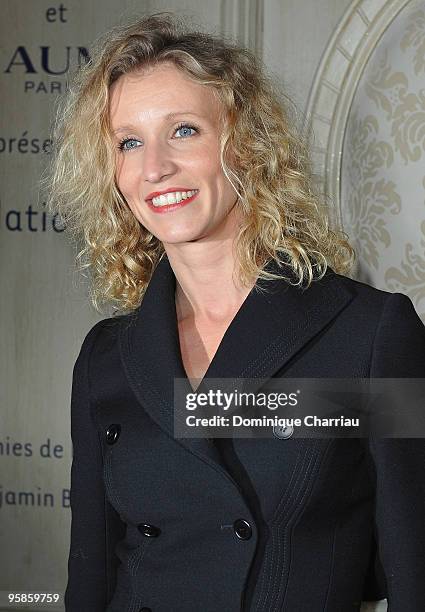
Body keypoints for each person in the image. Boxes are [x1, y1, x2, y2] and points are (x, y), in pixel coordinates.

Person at [47, 12, 425, 612]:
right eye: (128, 142)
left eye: (185, 131)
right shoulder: (105, 359)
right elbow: (90, 578)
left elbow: (414, 570)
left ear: (246, 145)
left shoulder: (369, 335)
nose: (154, 168)